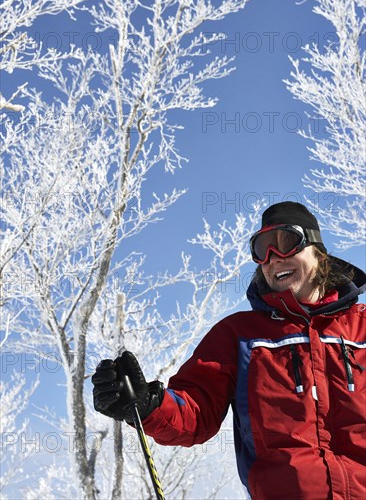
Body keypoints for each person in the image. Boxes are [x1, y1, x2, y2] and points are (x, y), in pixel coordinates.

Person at [92, 201, 366, 499]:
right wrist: (149, 406)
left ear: (318, 251)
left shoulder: (361, 328)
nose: (273, 258)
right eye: (262, 249)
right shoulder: (240, 335)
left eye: (286, 242)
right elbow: (196, 410)